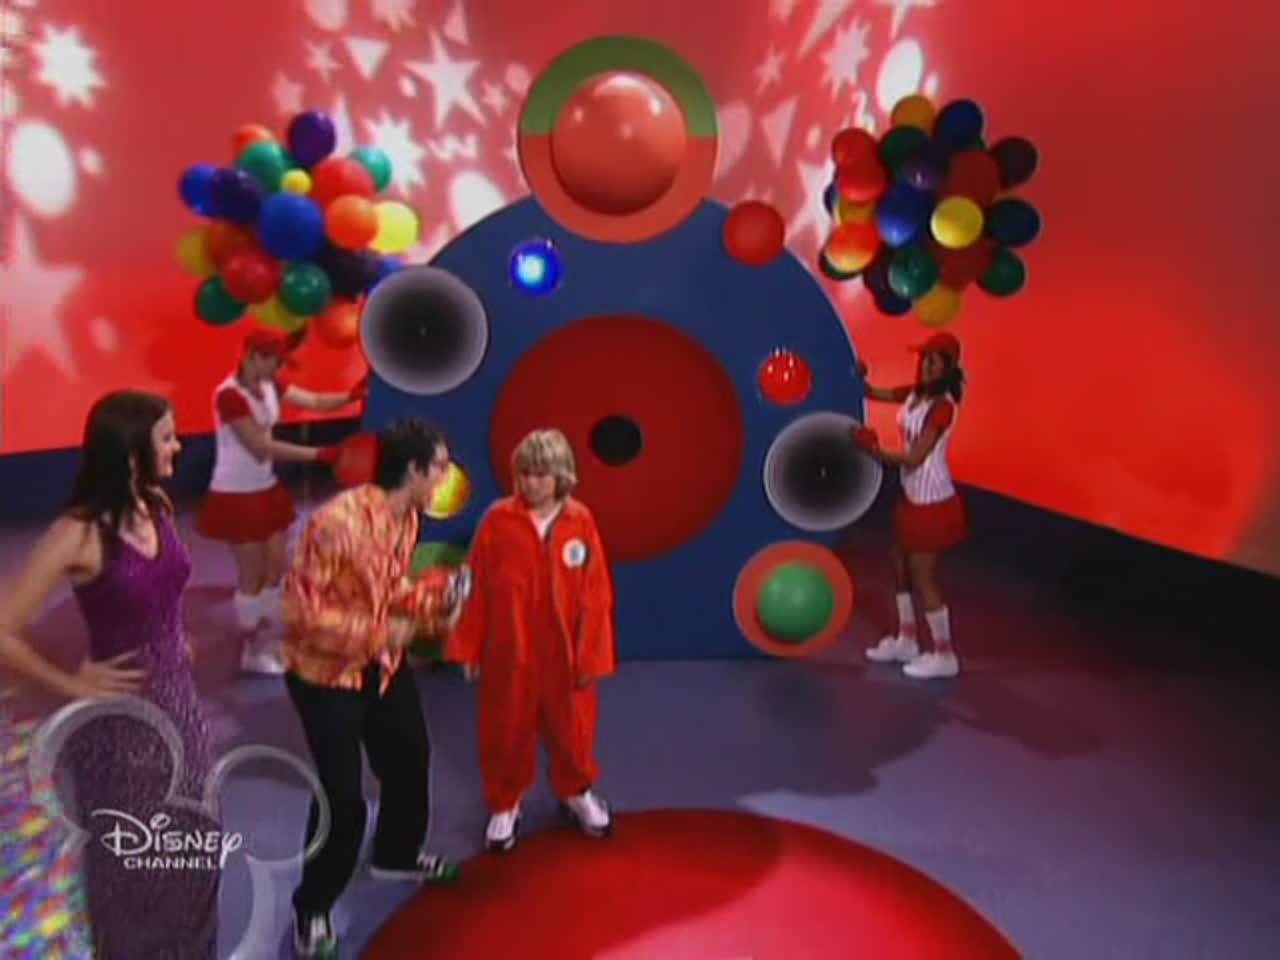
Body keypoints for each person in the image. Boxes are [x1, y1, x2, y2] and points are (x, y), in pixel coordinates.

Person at [0, 390, 220, 956]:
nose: (178, 446)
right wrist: (71, 685)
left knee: (196, 842)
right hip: (120, 730)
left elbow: (162, 587)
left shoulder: (157, 505)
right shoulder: (78, 533)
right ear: (131, 450)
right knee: (134, 864)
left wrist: (173, 634)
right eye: (167, 437)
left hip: (180, 705)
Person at [281, 417, 463, 959]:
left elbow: (388, 586)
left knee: (409, 758)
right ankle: (313, 907)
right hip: (326, 678)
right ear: (415, 470)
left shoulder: (408, 519)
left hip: (382, 666)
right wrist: (383, 634)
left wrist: (433, 601)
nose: (446, 476)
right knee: (342, 800)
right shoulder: (336, 523)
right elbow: (300, 615)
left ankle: (396, 854)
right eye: (441, 467)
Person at [447, 429, 616, 854]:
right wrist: (469, 646)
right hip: (510, 648)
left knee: (573, 729)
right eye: (524, 473)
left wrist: (591, 655)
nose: (531, 483)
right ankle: (505, 802)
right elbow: (476, 585)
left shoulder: (580, 521)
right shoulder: (498, 520)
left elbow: (596, 594)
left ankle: (576, 791)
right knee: (505, 728)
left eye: (540, 474)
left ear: (561, 475)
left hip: (564, 651)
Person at [197, 326, 364, 675]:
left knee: (277, 568)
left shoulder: (271, 384)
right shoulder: (228, 396)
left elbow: (315, 402)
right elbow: (260, 446)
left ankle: (269, 638)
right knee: (253, 576)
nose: (279, 368)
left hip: (265, 487)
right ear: (252, 357)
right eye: (274, 361)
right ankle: (251, 649)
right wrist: (319, 454)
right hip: (235, 493)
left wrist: (352, 395)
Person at [852, 331, 969, 679]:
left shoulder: (943, 407)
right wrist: (857, 373)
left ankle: (944, 655)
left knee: (923, 577)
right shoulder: (916, 394)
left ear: (948, 367)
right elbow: (872, 392)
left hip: (933, 500)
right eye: (925, 359)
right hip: (911, 495)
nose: (927, 366)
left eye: (935, 361)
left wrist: (873, 450)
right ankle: (906, 639)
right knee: (900, 566)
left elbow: (915, 458)